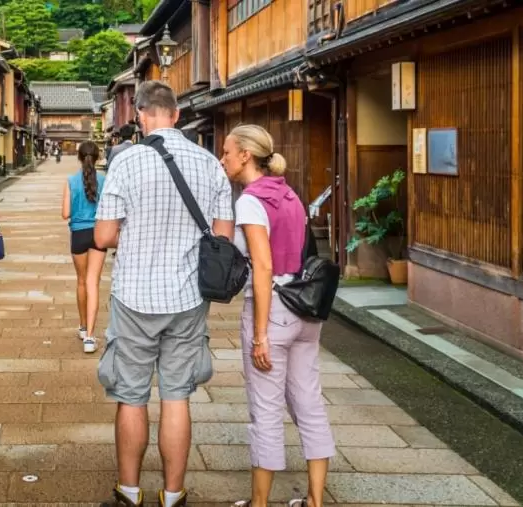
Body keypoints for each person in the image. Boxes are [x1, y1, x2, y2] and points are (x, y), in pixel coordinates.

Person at [94, 80, 235, 507]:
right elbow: (224, 237)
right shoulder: (209, 163)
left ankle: (130, 492)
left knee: (131, 395)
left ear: (139, 115)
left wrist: (135, 234)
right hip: (189, 296)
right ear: (175, 115)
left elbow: (102, 236)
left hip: (135, 293)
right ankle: (173, 495)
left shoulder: (126, 161)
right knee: (177, 396)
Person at [220, 125, 335, 507]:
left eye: (227, 153)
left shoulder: (251, 201)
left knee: (266, 410)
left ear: (245, 157)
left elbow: (263, 267)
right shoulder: (290, 194)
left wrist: (260, 335)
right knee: (309, 403)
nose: (223, 160)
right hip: (306, 311)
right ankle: (316, 500)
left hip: (273, 310)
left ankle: (259, 504)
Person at [60, 141, 107, 354]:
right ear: (97, 158)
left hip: (78, 233)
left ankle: (82, 326)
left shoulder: (71, 181)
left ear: (79, 157)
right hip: (98, 234)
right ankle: (90, 337)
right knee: (93, 283)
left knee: (81, 281)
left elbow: (65, 213)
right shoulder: (105, 180)